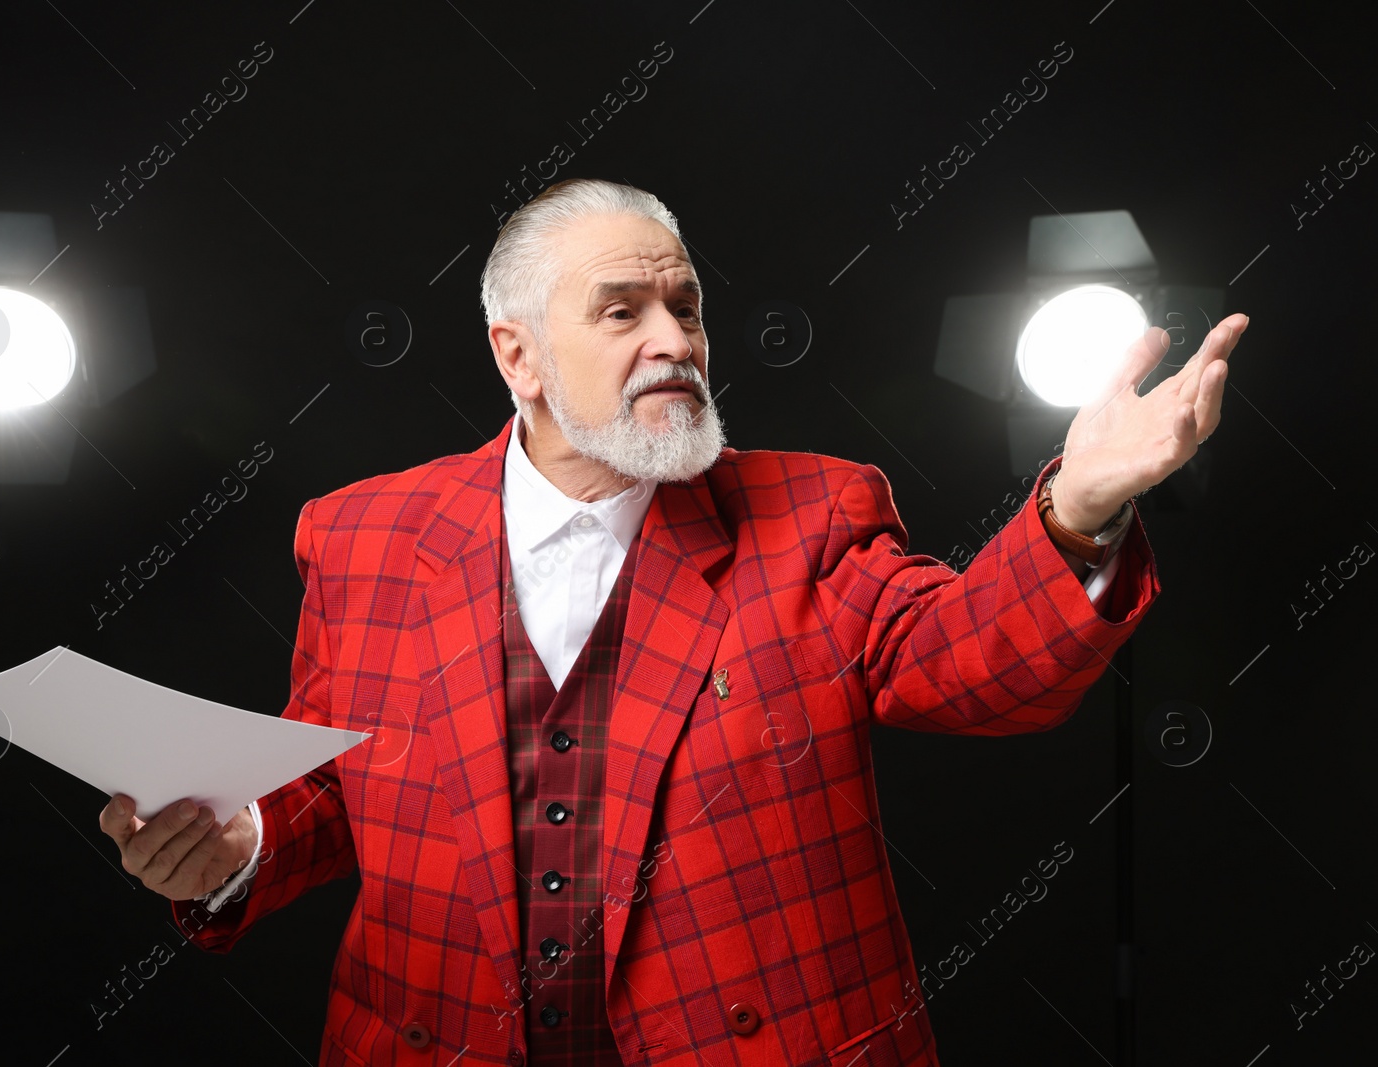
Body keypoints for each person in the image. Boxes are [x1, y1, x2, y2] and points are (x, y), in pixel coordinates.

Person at [100, 178, 1246, 1066]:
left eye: (686, 307)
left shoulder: (811, 510)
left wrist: (1079, 506)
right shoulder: (361, 537)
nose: (676, 341)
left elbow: (971, 664)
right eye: (623, 311)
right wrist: (238, 840)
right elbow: (336, 782)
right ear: (520, 356)